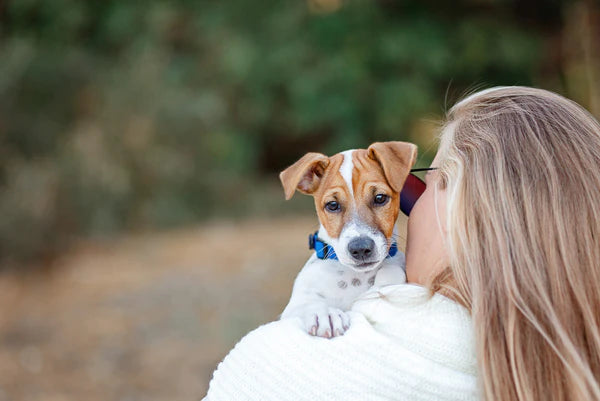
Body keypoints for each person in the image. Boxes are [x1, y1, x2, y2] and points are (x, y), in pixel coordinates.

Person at [203, 87, 600, 401]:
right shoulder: (539, 356)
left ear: (475, 214)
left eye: (389, 196)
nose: (359, 235)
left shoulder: (271, 369)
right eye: (335, 207)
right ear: (309, 187)